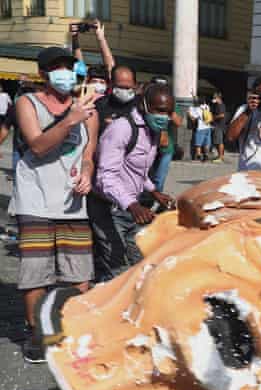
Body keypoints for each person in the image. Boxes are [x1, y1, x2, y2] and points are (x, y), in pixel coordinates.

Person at [13, 47, 99, 363]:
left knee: (79, 273)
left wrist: (87, 173)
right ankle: (38, 332)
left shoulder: (89, 110)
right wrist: (69, 120)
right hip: (35, 198)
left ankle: (73, 328)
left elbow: (89, 154)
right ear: (43, 74)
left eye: (68, 67)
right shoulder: (28, 103)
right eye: (56, 67)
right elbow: (37, 146)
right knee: (36, 272)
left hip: (72, 201)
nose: (64, 73)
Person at [89, 83, 175, 282]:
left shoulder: (152, 131)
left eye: (168, 112)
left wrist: (154, 191)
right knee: (117, 271)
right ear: (144, 105)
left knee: (141, 266)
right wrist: (132, 205)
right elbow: (105, 177)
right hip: (109, 208)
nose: (164, 117)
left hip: (130, 209)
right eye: (160, 110)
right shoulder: (122, 129)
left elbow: (135, 170)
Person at [148, 76, 183, 193]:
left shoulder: (171, 103)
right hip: (147, 145)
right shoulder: (144, 102)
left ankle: (156, 199)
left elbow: (178, 122)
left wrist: (168, 109)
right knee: (144, 177)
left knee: (159, 180)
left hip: (166, 148)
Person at [96, 65, 138, 133]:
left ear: (135, 85)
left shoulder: (140, 107)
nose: (124, 91)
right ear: (111, 84)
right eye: (120, 87)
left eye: (127, 88)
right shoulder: (100, 105)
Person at [188, 97, 212, 162]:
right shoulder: (207, 107)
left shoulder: (197, 109)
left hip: (200, 128)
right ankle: (206, 155)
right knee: (206, 143)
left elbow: (193, 119)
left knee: (198, 143)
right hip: (208, 127)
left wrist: (189, 113)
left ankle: (198, 156)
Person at [210, 92, 226, 163]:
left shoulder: (220, 105)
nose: (213, 99)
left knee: (219, 142)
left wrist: (213, 118)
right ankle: (220, 155)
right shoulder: (217, 105)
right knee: (217, 142)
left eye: (214, 97)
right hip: (217, 125)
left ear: (218, 98)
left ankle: (221, 157)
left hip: (219, 126)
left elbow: (222, 115)